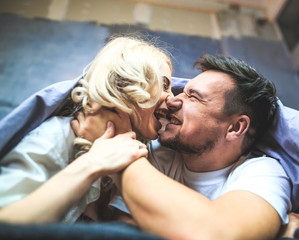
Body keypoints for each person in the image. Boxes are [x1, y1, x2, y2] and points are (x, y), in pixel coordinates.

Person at [74, 54, 292, 239]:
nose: (173, 101)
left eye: (193, 97)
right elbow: (123, 229)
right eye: (183, 92)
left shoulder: (264, 175)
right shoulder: (160, 155)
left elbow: (217, 234)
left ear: (235, 127)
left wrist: (119, 148)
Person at [0, 36, 173, 224]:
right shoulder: (58, 135)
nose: (172, 99)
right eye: (164, 85)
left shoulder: (145, 155)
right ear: (133, 81)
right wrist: (93, 162)